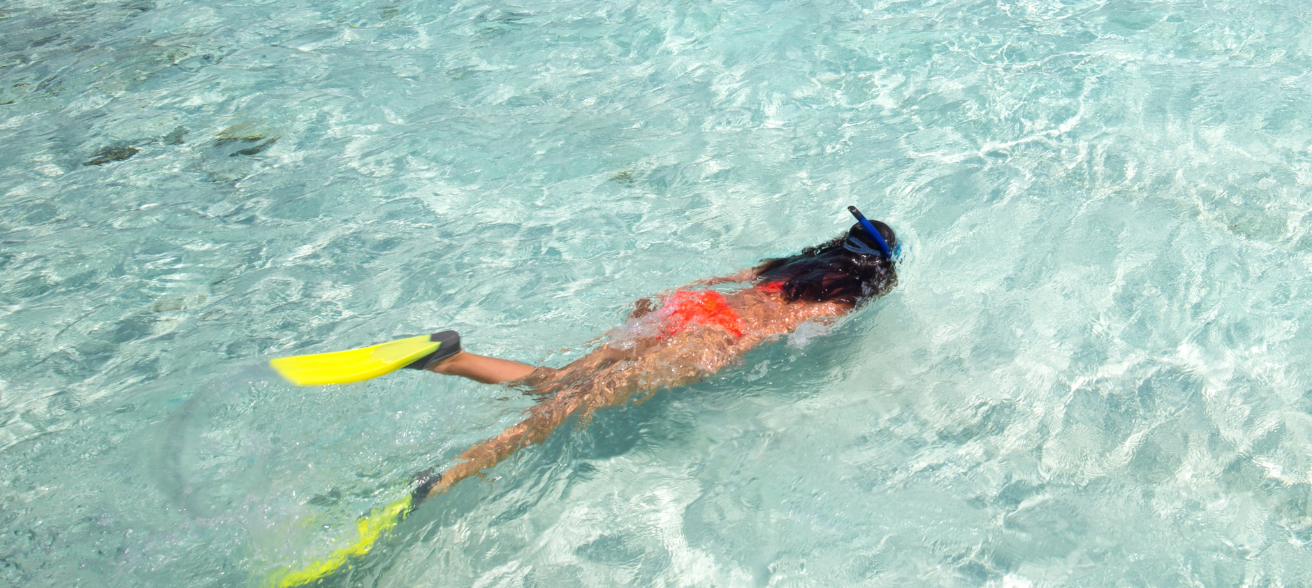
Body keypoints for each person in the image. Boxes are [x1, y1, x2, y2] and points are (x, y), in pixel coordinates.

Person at [268, 206, 898, 521]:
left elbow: (714, 282)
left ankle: (449, 358)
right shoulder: (838, 305)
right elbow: (797, 339)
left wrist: (650, 314)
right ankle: (446, 478)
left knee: (565, 381)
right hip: (715, 338)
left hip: (688, 308)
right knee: (564, 411)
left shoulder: (780, 267)